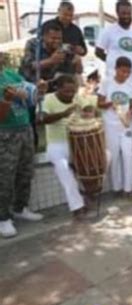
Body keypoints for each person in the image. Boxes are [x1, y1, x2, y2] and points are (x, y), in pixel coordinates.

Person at [0, 53, 44, 238]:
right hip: (5, 133)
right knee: (5, 176)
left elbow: (31, 98)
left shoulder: (12, 75)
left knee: (25, 170)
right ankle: (3, 218)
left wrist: (39, 90)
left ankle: (20, 208)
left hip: (24, 128)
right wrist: (8, 99)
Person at [39, 75, 93, 218]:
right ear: (57, 88)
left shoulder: (76, 97)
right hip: (56, 145)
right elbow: (41, 119)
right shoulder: (48, 99)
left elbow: (89, 107)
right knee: (63, 169)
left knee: (103, 158)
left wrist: (88, 111)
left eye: (73, 91)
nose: (70, 95)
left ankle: (88, 193)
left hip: (76, 143)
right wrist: (64, 113)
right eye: (66, 92)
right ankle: (77, 207)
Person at [98, 57, 132, 199]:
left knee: (128, 156)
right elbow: (99, 103)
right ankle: (117, 187)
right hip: (111, 125)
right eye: (123, 71)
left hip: (126, 125)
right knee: (114, 157)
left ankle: (129, 188)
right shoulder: (106, 82)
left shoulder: (131, 85)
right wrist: (110, 104)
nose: (125, 75)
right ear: (116, 69)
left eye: (128, 72)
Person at [19, 22, 81, 91]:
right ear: (44, 36)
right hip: (30, 85)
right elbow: (29, 65)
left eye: (59, 38)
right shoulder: (33, 44)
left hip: (50, 85)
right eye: (53, 38)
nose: (57, 41)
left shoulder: (63, 48)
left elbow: (77, 71)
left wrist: (78, 62)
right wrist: (50, 61)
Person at [95, 0, 132, 79]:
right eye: (123, 13)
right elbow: (98, 52)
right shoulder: (108, 30)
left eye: (129, 13)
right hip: (113, 77)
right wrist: (112, 62)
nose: (126, 16)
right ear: (117, 13)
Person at [42, 1, 87, 75]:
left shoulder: (76, 30)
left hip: (70, 69)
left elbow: (84, 50)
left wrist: (80, 50)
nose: (68, 18)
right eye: (65, 15)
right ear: (59, 11)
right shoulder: (48, 25)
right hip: (50, 69)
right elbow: (42, 45)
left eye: (71, 15)